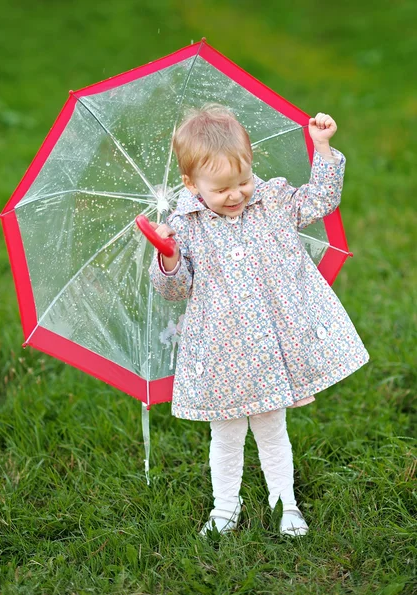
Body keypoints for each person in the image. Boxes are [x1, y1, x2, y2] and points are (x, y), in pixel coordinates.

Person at [146, 104, 369, 537]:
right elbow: (175, 289)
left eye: (243, 180)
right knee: (225, 437)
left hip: (272, 346)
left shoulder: (274, 202)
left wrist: (321, 149)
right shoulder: (184, 226)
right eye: (222, 188)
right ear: (191, 184)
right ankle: (224, 508)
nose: (236, 194)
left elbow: (320, 200)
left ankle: (284, 504)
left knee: (272, 430)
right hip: (221, 350)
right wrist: (169, 257)